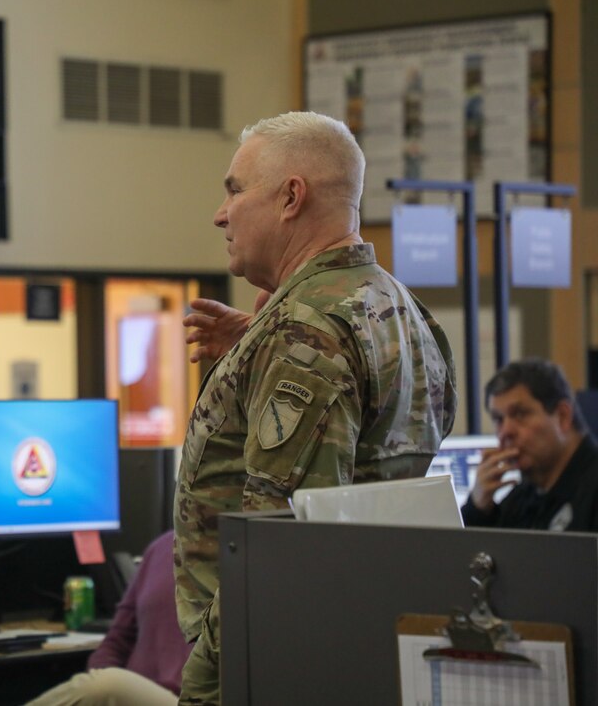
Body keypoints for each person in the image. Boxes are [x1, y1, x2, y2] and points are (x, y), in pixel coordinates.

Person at [174, 111, 457, 704]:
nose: (220, 213)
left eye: (234, 190)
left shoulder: (306, 333)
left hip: (276, 663)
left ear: (290, 197)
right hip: (363, 641)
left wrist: (205, 690)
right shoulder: (400, 308)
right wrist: (256, 352)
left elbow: (275, 552)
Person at [26, 531, 192, 706]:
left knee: (107, 686)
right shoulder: (162, 547)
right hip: (138, 695)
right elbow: (116, 642)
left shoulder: (223, 555)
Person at [462, 358, 598, 531]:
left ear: (563, 416)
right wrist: (478, 509)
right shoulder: (524, 494)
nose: (505, 432)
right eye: (498, 419)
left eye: (520, 414)